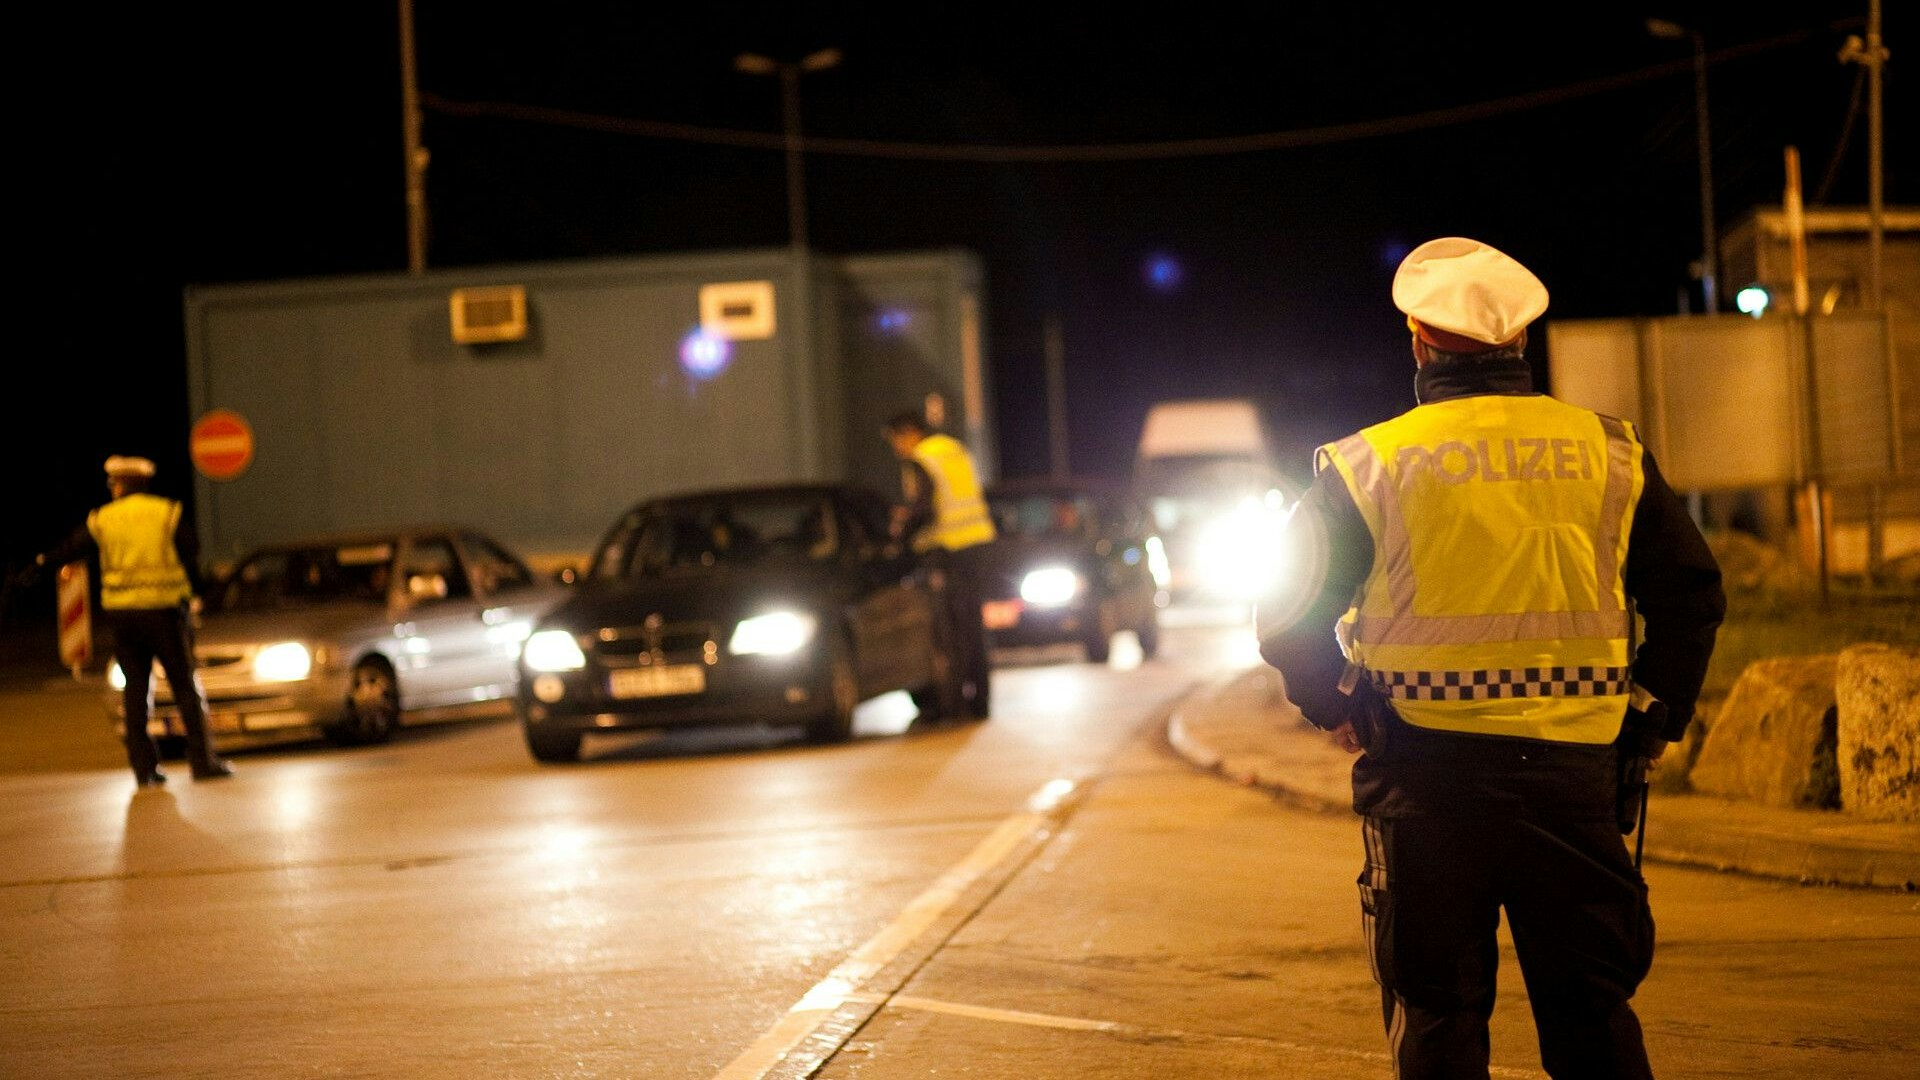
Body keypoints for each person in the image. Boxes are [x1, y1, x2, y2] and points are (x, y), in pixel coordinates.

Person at [1255, 237, 1724, 1079]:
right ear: (1519, 342)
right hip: (1576, 781)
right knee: (1592, 1016)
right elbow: (1691, 595)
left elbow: (1285, 615)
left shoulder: (1368, 465)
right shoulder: (1609, 451)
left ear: (1418, 343)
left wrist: (1339, 704)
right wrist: (1652, 716)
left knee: (1438, 1017)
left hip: (1425, 782)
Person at [28, 456, 234, 786]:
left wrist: (42, 562)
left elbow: (73, 547)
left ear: (120, 485)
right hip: (164, 615)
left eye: (112, 484)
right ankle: (202, 762)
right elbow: (191, 549)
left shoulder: (103, 518)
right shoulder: (166, 512)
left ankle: (144, 769)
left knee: (136, 693)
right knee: (184, 688)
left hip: (123, 619)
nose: (111, 489)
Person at [882, 409, 997, 717]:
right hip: (977, 543)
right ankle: (980, 702)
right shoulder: (953, 448)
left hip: (948, 551)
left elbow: (925, 509)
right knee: (973, 627)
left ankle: (955, 706)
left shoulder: (923, 457)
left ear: (908, 432)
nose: (896, 448)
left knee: (951, 632)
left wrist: (900, 537)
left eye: (895, 440)